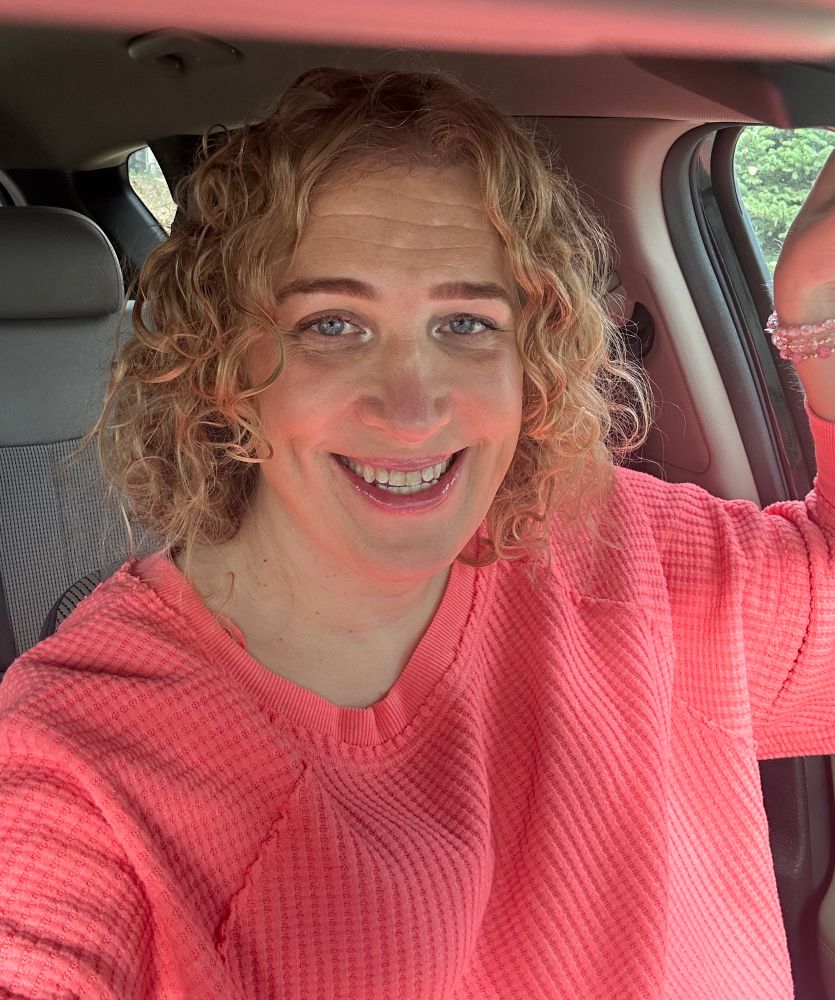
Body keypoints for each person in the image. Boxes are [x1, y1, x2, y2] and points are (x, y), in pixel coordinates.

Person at [0, 65, 833, 1000]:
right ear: (224, 365)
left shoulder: (619, 550)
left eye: (466, 322)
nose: (411, 410)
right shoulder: (78, 766)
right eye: (332, 325)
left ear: (535, 357)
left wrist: (821, 323)